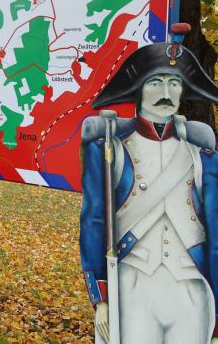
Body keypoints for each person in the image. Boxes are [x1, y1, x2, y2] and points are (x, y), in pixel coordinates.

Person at [80, 23, 218, 344]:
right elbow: (94, 221)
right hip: (132, 287)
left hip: (191, 292)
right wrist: (100, 298)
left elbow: (215, 237)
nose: (167, 94)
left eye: (175, 83)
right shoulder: (109, 150)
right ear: (139, 90)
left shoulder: (203, 158)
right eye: (156, 82)